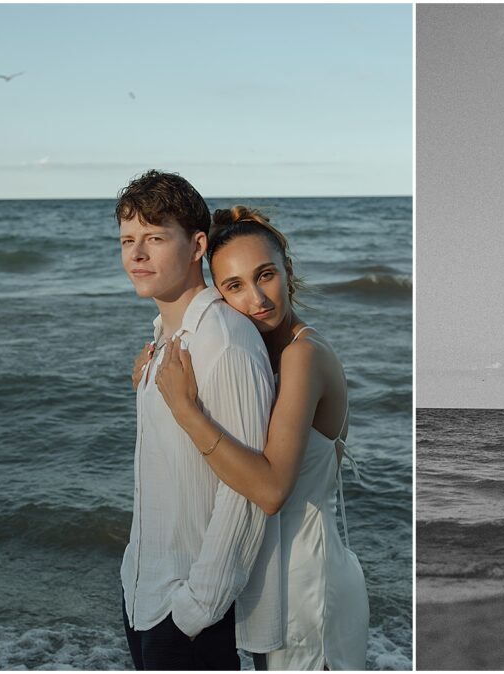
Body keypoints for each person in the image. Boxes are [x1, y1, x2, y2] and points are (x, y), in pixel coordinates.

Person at [145, 205, 369, 670]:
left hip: (308, 583)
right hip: (274, 582)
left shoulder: (303, 356)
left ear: (287, 271)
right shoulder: (265, 356)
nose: (256, 298)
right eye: (234, 287)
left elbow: (269, 490)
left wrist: (184, 409)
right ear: (219, 296)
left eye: (265, 275)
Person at [116, 170, 276, 669]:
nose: (136, 255)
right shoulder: (164, 338)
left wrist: (196, 608)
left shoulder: (224, 341)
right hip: (142, 594)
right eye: (127, 240)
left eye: (155, 238)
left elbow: (248, 491)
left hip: (187, 610)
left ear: (195, 245)